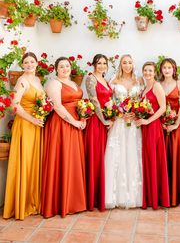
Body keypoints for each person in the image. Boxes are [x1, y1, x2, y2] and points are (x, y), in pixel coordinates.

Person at [41, 57, 86, 218]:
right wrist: (74, 122)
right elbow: (57, 106)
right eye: (61, 66)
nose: (65, 69)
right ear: (56, 69)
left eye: (67, 66)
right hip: (61, 125)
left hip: (76, 124)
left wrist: (83, 118)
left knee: (73, 160)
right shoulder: (54, 83)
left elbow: (81, 104)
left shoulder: (74, 84)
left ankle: (75, 201)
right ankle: (61, 203)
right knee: (62, 159)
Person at [3, 52, 44, 220]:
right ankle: (21, 205)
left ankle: (32, 201)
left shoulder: (38, 80)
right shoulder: (22, 81)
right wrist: (33, 119)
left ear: (36, 63)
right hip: (26, 124)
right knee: (25, 162)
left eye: (32, 61)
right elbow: (15, 106)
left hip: (36, 125)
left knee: (34, 162)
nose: (29, 64)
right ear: (22, 65)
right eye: (26, 62)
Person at [105, 54, 143, 208]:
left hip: (133, 122)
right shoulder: (114, 80)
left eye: (129, 62)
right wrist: (119, 113)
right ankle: (115, 196)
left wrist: (137, 112)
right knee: (117, 155)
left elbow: (142, 100)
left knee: (132, 154)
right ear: (120, 65)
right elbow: (109, 101)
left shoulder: (139, 80)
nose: (127, 65)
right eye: (124, 63)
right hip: (120, 123)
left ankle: (133, 195)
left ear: (133, 64)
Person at [136, 62, 170, 209]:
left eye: (150, 70)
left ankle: (156, 197)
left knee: (153, 159)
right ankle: (149, 196)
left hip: (153, 126)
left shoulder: (157, 86)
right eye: (145, 70)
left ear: (155, 72)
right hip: (145, 127)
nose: (148, 73)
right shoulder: (145, 88)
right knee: (147, 159)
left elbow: (162, 108)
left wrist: (148, 120)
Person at [84, 54, 113, 211]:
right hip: (96, 122)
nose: (102, 65)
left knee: (104, 157)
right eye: (99, 63)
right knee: (96, 157)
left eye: (104, 63)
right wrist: (103, 120)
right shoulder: (91, 79)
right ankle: (93, 198)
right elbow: (94, 101)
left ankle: (101, 194)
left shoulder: (105, 80)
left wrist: (112, 116)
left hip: (106, 121)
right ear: (94, 64)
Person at [159, 58, 180, 206]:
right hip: (161, 126)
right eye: (164, 68)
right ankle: (163, 193)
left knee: (176, 157)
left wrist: (176, 124)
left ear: (174, 69)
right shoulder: (158, 84)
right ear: (161, 70)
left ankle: (176, 194)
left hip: (177, 125)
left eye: (170, 67)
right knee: (162, 158)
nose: (167, 70)